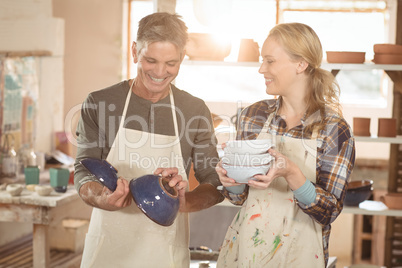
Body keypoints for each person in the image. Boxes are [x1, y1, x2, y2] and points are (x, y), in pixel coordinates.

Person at [74, 12, 224, 268]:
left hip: (164, 253)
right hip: (109, 248)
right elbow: (83, 171)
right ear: (134, 52)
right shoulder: (100, 103)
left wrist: (186, 201)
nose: (160, 72)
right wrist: (101, 198)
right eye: (150, 60)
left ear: (182, 59)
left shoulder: (194, 109)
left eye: (170, 63)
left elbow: (215, 181)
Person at [216, 22, 355, 268]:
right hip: (247, 252)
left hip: (299, 255)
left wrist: (292, 173)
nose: (261, 69)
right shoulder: (253, 116)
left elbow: (329, 211)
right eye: (262, 60)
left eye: (270, 61)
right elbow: (239, 199)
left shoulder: (334, 129)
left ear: (301, 64)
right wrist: (232, 179)